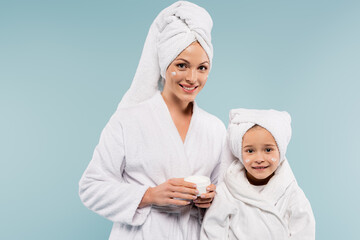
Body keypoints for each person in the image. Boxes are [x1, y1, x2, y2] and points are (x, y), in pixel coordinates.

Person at [78, 1, 226, 239]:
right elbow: (90, 188)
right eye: (182, 65)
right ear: (164, 64)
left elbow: (227, 192)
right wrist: (148, 195)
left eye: (202, 67)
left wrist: (213, 197)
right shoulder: (128, 120)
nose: (192, 77)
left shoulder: (215, 128)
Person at [200, 109, 315, 239]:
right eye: (250, 151)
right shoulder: (227, 191)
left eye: (268, 149)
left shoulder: (291, 192)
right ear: (239, 152)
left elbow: (304, 232)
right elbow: (212, 229)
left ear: (280, 150)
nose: (259, 158)